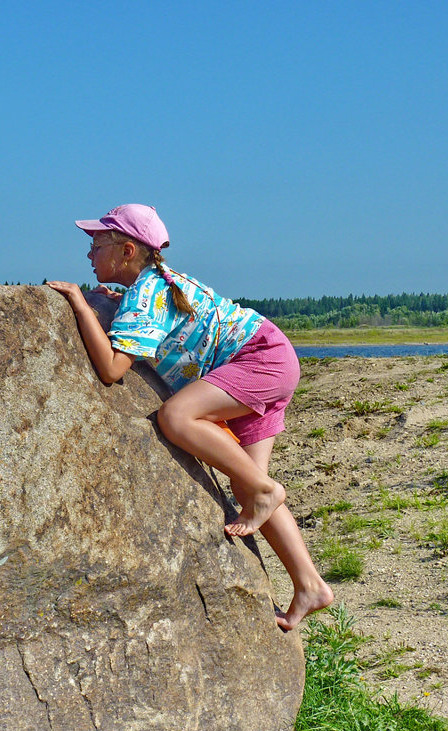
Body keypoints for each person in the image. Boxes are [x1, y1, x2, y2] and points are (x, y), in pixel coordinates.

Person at [47, 204, 333, 630]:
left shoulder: (147, 292)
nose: (89, 253)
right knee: (244, 482)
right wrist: (117, 302)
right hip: (272, 354)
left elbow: (111, 370)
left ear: (127, 250)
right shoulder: (149, 287)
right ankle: (311, 585)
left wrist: (78, 302)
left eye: (96, 244)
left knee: (176, 418)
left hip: (259, 359)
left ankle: (265, 489)